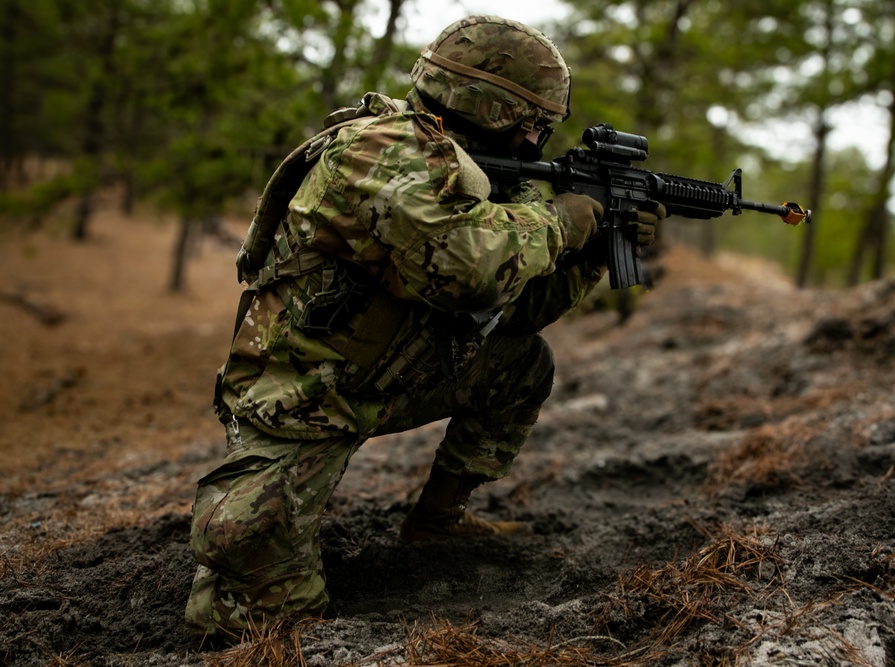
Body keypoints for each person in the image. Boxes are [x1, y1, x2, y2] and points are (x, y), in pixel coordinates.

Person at [185, 15, 667, 639]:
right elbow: (470, 268)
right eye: (533, 124)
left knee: (522, 363)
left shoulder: (468, 168)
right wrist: (561, 223)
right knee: (252, 619)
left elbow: (513, 311)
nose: (536, 140)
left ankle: (438, 521)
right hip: (303, 401)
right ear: (492, 107)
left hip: (391, 374)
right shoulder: (378, 151)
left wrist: (598, 248)